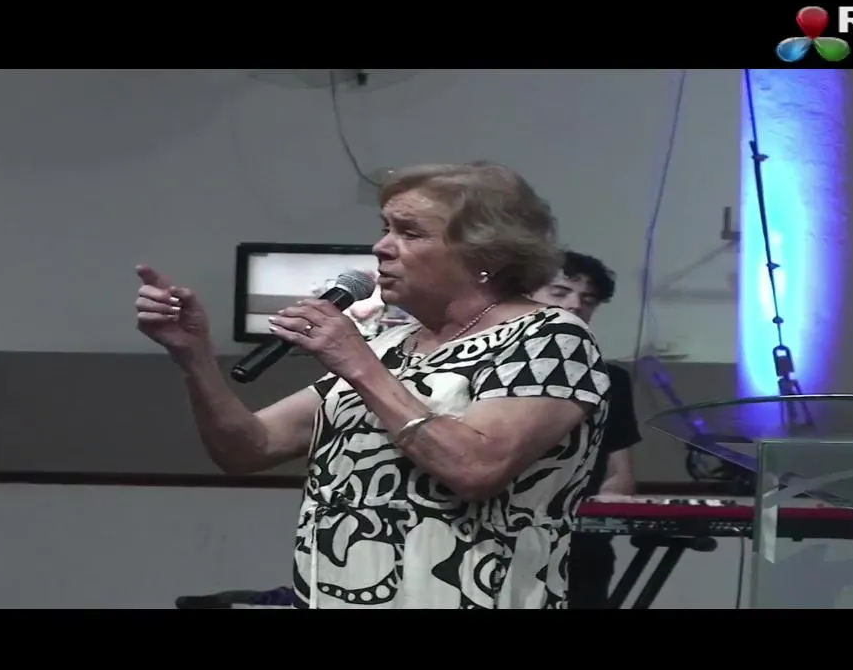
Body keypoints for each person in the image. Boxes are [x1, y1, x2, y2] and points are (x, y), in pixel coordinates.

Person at [136, 161, 612, 609]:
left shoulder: (550, 337)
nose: (381, 247)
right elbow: (248, 448)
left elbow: (476, 468)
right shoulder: (388, 345)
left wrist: (359, 365)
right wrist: (195, 357)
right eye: (385, 228)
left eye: (409, 232)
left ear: (485, 255)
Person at [531, 251, 643, 609]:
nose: (576, 305)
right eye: (560, 292)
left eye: (588, 299)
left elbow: (619, 476)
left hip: (579, 548)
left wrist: (596, 514)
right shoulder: (489, 365)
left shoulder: (611, 379)